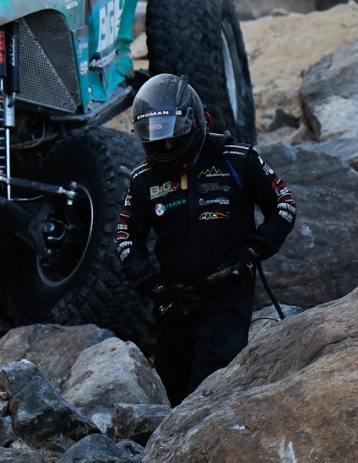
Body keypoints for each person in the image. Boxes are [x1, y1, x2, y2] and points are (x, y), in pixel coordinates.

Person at [115, 74, 296, 405]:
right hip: (172, 305)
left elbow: (283, 205)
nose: (166, 146)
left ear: (194, 122)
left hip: (226, 299)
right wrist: (152, 285)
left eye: (174, 136)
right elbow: (127, 239)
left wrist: (253, 251)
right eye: (156, 138)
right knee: (171, 393)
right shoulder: (142, 180)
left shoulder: (238, 158)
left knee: (206, 396)